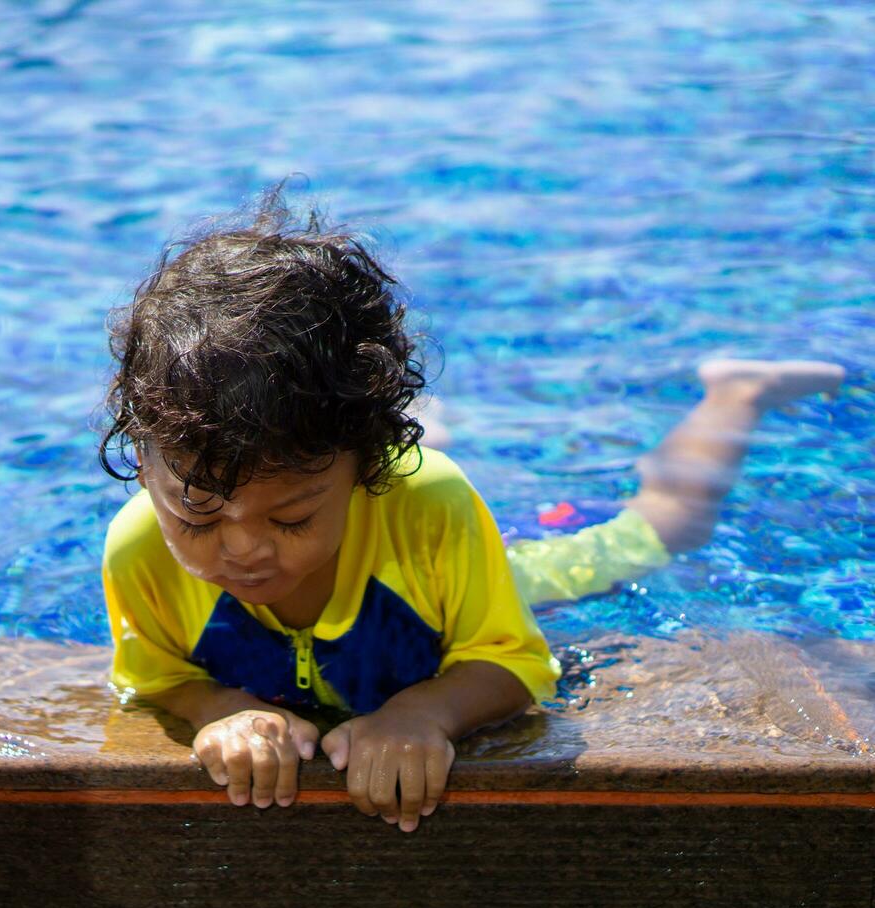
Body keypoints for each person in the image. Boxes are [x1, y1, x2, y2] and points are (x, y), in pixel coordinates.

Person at [97, 189, 844, 832]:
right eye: (196, 515)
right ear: (144, 461)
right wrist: (218, 708)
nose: (244, 548)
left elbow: (519, 661)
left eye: (291, 518)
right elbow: (155, 677)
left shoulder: (432, 507)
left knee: (665, 532)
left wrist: (427, 713)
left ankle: (734, 392)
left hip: (461, 567)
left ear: (368, 474)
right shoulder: (140, 546)